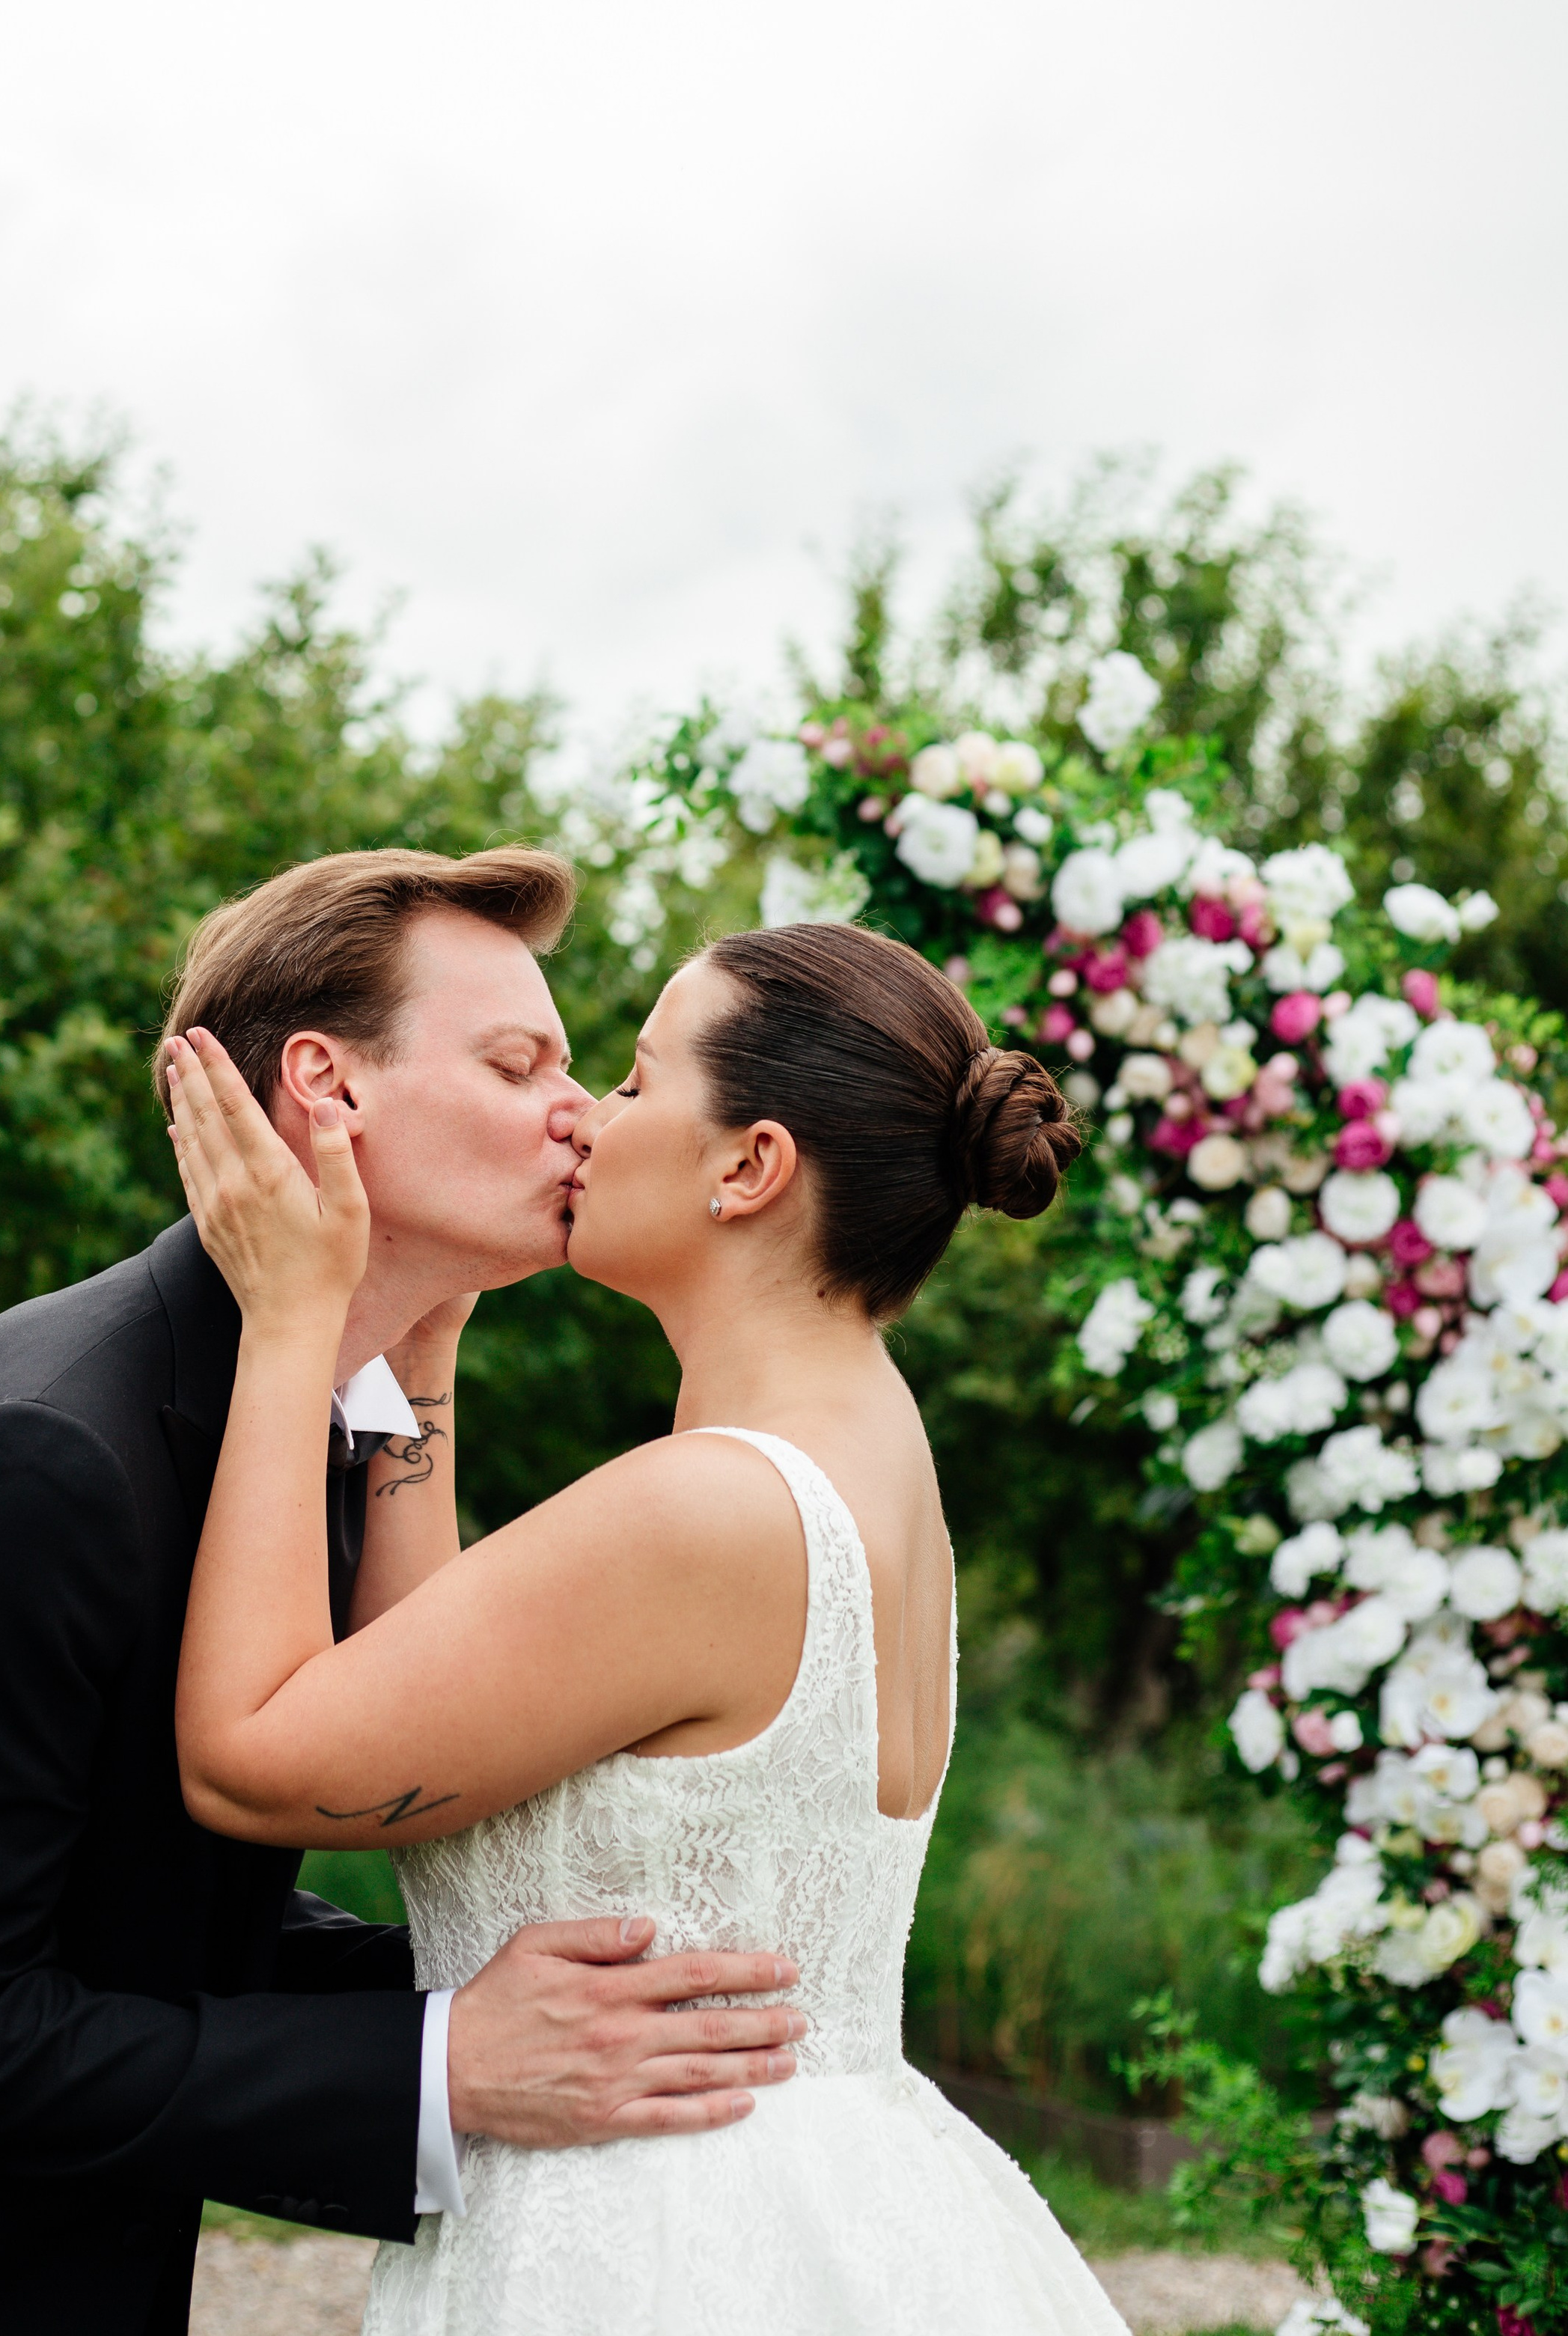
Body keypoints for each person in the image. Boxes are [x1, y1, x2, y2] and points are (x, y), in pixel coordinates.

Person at [0, 849, 804, 2336]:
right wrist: (438, 2065)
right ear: (327, 1091)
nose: (575, 1115)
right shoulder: (34, 1460)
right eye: (520, 1064)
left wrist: (512, 2006)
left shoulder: (296, 1415)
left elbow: (142, 1900)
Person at [165, 916, 1133, 2335]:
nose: (583, 1122)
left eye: (631, 1080)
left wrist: (291, 1320)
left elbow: (252, 1754)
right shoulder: (865, 1450)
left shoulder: (711, 1511)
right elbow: (440, 1705)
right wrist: (424, 1343)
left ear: (749, 1167)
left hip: (660, 2237)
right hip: (820, 2188)